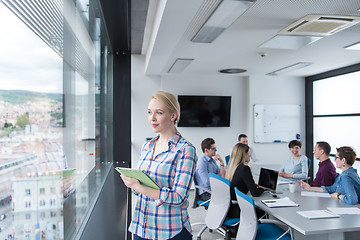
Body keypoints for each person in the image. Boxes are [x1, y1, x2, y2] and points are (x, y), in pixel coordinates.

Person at [120, 91, 197, 240]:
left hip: (169, 231)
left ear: (173, 116)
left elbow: (178, 197)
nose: (152, 118)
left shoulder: (185, 150)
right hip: (141, 227)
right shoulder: (147, 147)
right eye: (149, 112)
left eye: (159, 113)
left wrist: (140, 187)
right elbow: (140, 190)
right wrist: (133, 183)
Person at [225, 143, 265, 218]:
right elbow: (255, 193)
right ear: (244, 154)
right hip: (238, 209)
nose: (249, 155)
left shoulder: (232, 167)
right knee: (262, 211)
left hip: (229, 208)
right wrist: (261, 189)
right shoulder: (244, 169)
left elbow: (239, 183)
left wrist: (252, 185)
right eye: (248, 153)